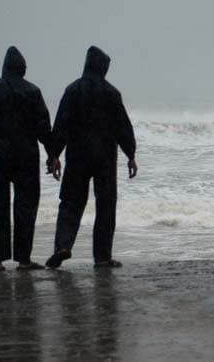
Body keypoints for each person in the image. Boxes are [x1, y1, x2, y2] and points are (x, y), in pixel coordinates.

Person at [46, 46, 137, 269]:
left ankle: (63, 247)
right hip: (105, 158)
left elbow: (61, 125)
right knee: (106, 206)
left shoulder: (73, 90)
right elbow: (123, 127)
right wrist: (131, 154)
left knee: (70, 203)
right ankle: (103, 257)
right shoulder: (112, 93)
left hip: (78, 156)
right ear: (104, 69)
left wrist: (54, 155)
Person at [0, 46, 54, 271]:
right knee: (26, 207)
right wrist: (53, 156)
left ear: (4, 68)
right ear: (23, 70)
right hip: (27, 156)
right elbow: (44, 129)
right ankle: (24, 260)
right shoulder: (33, 92)